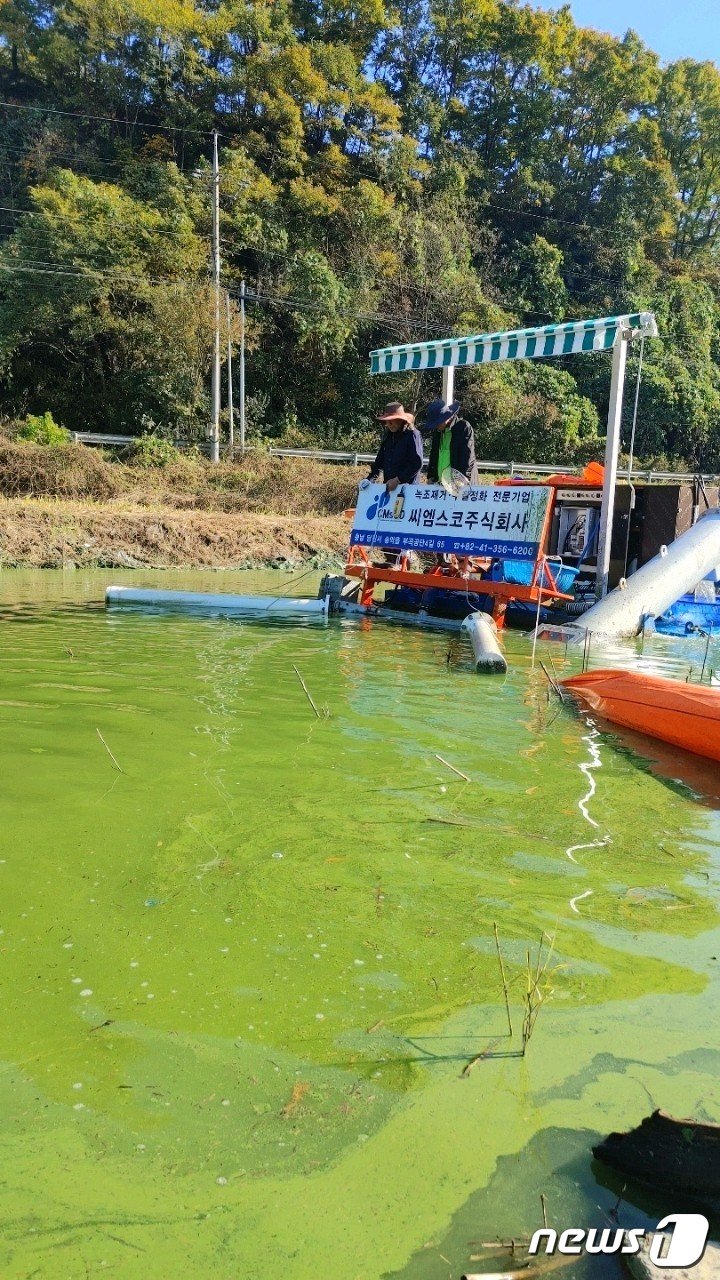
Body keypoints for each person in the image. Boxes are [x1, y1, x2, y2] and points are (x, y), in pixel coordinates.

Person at [365, 401, 423, 491]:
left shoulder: (412, 434)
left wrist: (398, 480)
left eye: (392, 420)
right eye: (387, 421)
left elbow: (416, 463)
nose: (389, 424)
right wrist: (370, 480)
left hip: (409, 489)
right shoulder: (388, 435)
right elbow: (379, 462)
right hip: (389, 489)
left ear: (401, 420)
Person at [424, 398, 478, 486]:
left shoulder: (463, 427)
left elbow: (468, 457)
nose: (436, 425)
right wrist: (431, 476)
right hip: (440, 484)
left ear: (446, 417)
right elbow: (434, 454)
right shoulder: (438, 431)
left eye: (438, 422)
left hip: (459, 485)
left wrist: (462, 480)